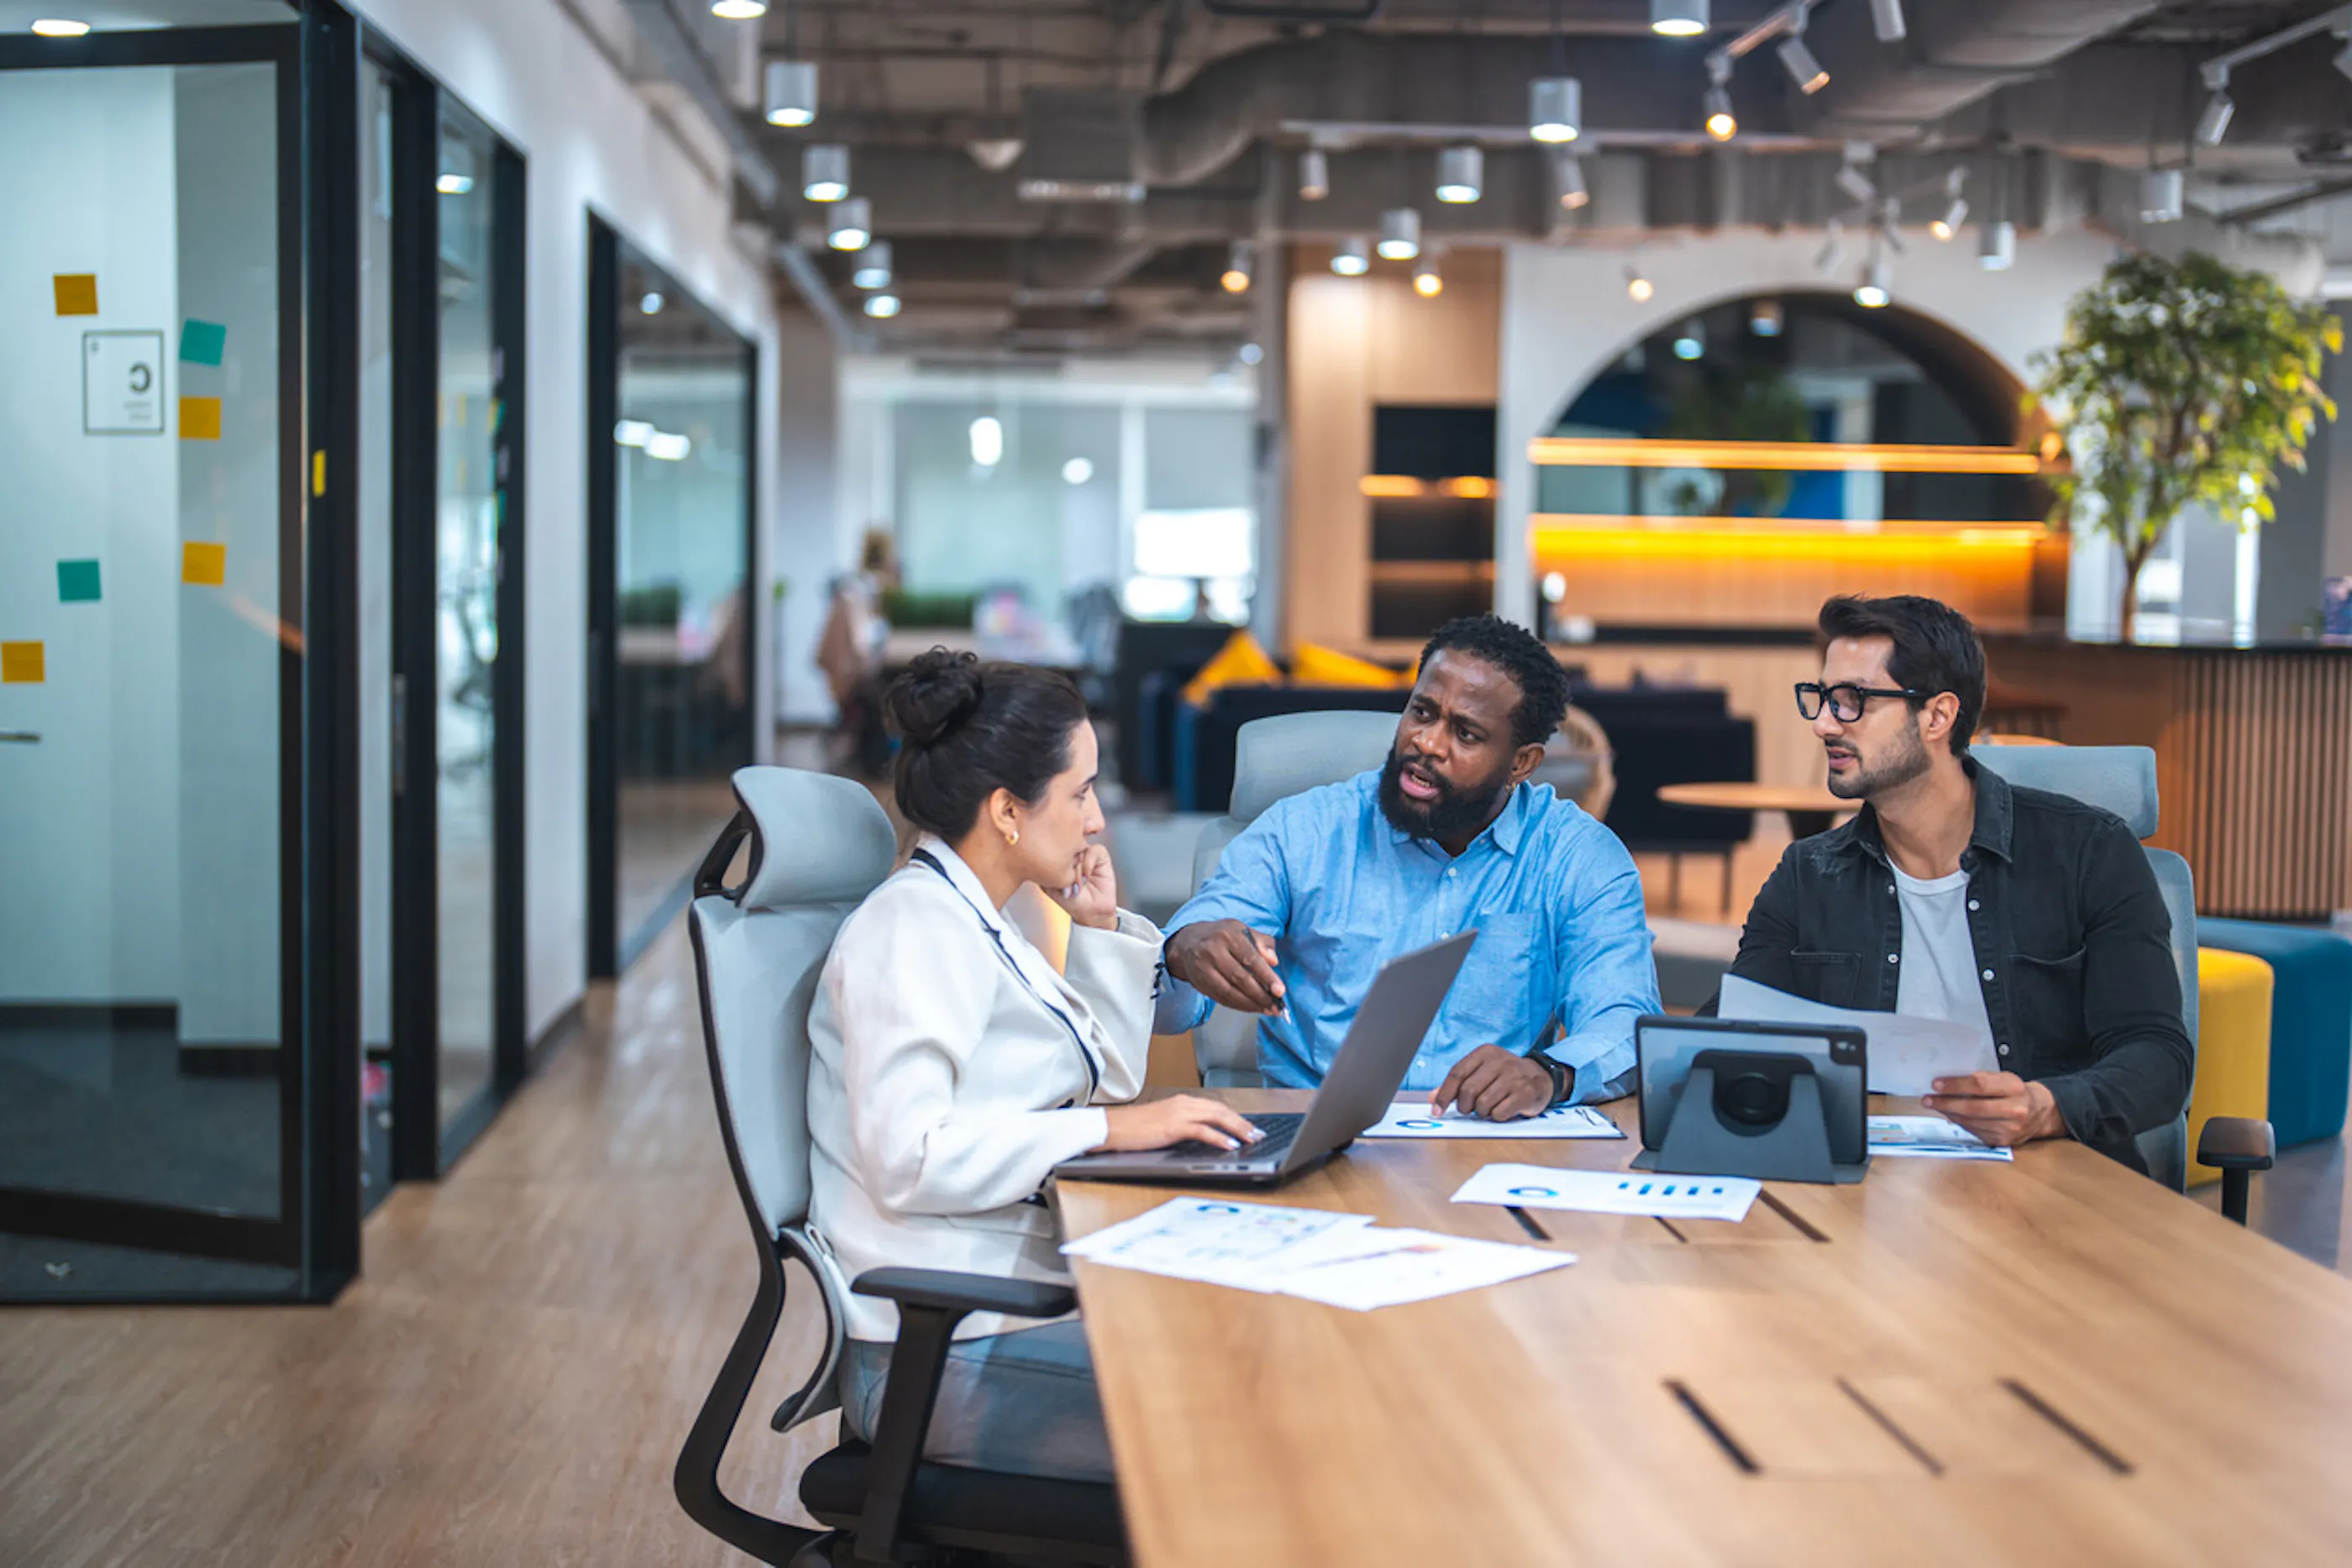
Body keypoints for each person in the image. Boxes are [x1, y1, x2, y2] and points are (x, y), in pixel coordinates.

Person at [806, 649, 1256, 1483]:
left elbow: (1098, 1087)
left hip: (997, 1310)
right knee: (1240, 1409)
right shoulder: (913, 927)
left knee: (1249, 1351)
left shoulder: (984, 916)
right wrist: (1115, 1128)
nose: (1096, 820)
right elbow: (911, 1158)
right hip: (938, 1353)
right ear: (1008, 809)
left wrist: (1097, 928)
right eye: (1081, 791)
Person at [1717, 594, 2192, 1168]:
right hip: (1864, 1187)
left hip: (2051, 1184)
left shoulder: (2088, 853)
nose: (1822, 724)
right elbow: (1730, 1036)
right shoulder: (1808, 874)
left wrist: (2045, 1106)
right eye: (1820, 698)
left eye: (1852, 701)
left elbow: (2159, 1058)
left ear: (1938, 716)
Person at [1155, 614, 1660, 1118]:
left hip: (1486, 1141)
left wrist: (1550, 1073)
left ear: (1522, 763)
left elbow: (1625, 1019)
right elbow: (1169, 1005)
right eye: (1422, 713)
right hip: (1314, 1134)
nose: (1428, 743)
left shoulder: (1577, 856)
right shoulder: (1303, 829)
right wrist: (1182, 949)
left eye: (1465, 734)